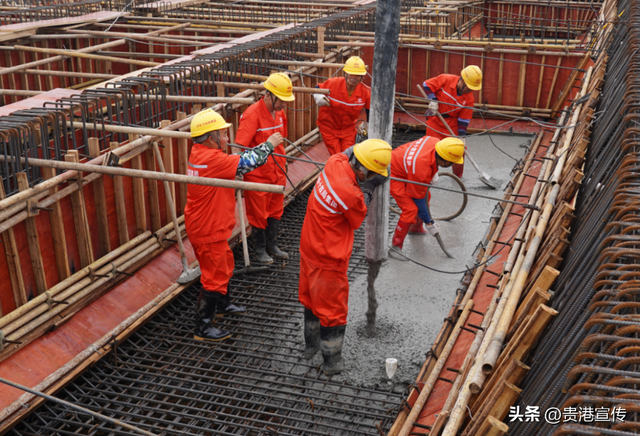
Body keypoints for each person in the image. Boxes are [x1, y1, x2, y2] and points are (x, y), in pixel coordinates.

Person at [185, 108, 283, 342]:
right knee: (215, 274)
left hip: (211, 225)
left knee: (225, 263)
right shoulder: (210, 158)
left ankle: (222, 305)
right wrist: (269, 145)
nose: (229, 139)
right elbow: (247, 162)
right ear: (212, 138)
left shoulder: (200, 153)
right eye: (224, 134)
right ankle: (203, 327)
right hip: (207, 229)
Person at [298, 139, 392, 375]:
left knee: (310, 300)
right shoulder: (350, 194)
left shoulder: (334, 162)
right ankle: (331, 362)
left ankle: (311, 348)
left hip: (309, 247)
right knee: (332, 311)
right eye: (371, 174)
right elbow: (360, 214)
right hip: (328, 258)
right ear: (363, 171)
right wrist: (371, 187)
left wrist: (368, 149)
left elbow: (347, 152)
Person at [236, 72, 294, 265]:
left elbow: (281, 141)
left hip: (277, 172)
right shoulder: (252, 114)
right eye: (282, 100)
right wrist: (237, 172)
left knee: (276, 210)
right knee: (258, 214)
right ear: (269, 94)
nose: (284, 104)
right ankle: (259, 249)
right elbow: (239, 147)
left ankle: (272, 245)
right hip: (258, 177)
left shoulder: (280, 113)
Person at [389, 136, 465, 255]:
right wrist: (429, 223)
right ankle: (395, 248)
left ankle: (415, 228)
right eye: (451, 163)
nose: (451, 165)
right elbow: (418, 199)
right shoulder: (421, 171)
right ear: (444, 159)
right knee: (411, 209)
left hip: (405, 166)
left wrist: (433, 170)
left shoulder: (435, 141)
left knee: (426, 196)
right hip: (393, 173)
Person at [422, 65, 482, 178]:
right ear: (462, 81)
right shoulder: (446, 79)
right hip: (435, 119)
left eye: (472, 88)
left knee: (460, 150)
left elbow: (463, 119)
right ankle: (430, 175)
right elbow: (427, 85)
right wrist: (433, 100)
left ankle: (457, 176)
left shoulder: (469, 98)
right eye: (469, 87)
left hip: (452, 123)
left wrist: (462, 136)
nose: (470, 90)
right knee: (431, 148)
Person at [313, 56, 371, 156]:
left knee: (348, 155)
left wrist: (370, 128)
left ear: (362, 77)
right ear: (346, 73)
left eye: (358, 75)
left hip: (348, 130)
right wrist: (318, 96)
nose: (354, 77)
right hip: (328, 128)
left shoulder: (366, 92)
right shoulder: (333, 83)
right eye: (351, 74)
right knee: (338, 156)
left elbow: (369, 111)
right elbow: (317, 87)